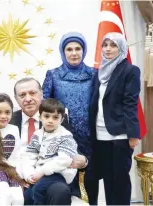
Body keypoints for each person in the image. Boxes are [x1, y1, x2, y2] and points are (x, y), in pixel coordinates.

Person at [0, 77, 88, 205]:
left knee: (59, 190)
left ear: (41, 94)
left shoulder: (55, 118)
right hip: (11, 176)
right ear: (16, 99)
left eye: (32, 93)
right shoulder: (5, 119)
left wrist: (83, 161)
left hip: (45, 175)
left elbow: (71, 148)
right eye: (22, 95)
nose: (28, 99)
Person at [42, 32, 98, 204]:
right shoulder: (53, 74)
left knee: (90, 184)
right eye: (69, 49)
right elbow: (44, 106)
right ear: (63, 51)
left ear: (84, 50)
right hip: (62, 138)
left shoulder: (94, 74)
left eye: (78, 48)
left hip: (91, 138)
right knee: (64, 185)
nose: (74, 53)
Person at [89, 32, 140, 205]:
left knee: (120, 177)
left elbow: (130, 103)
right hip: (100, 132)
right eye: (105, 45)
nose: (108, 49)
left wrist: (133, 133)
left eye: (113, 45)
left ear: (121, 48)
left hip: (121, 132)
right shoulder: (99, 71)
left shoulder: (130, 70)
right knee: (108, 177)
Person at [18, 98, 78, 205]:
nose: (50, 120)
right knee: (26, 197)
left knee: (38, 190)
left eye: (55, 117)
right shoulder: (37, 135)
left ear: (62, 119)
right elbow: (29, 155)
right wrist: (29, 174)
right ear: (40, 117)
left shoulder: (66, 136)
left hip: (58, 174)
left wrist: (42, 171)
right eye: (46, 116)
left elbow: (64, 160)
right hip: (40, 174)